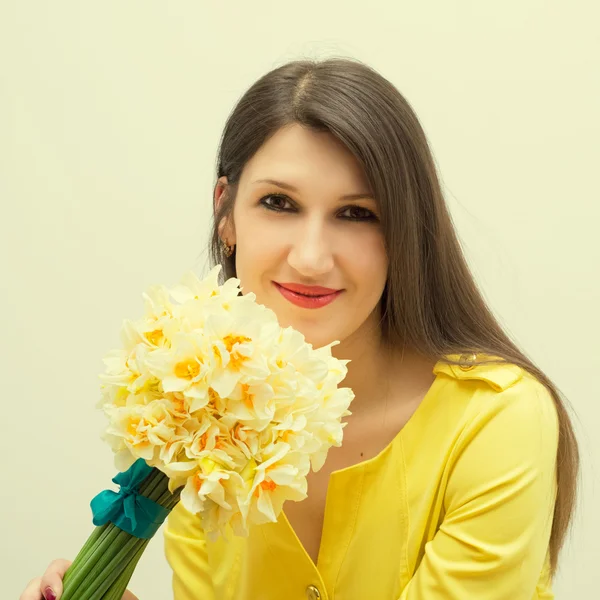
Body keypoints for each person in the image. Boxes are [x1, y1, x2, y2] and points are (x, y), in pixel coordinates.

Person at [21, 57, 579, 600]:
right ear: (226, 212)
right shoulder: (199, 429)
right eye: (278, 203)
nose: (311, 258)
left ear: (405, 231)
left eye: (357, 213)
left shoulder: (497, 420)